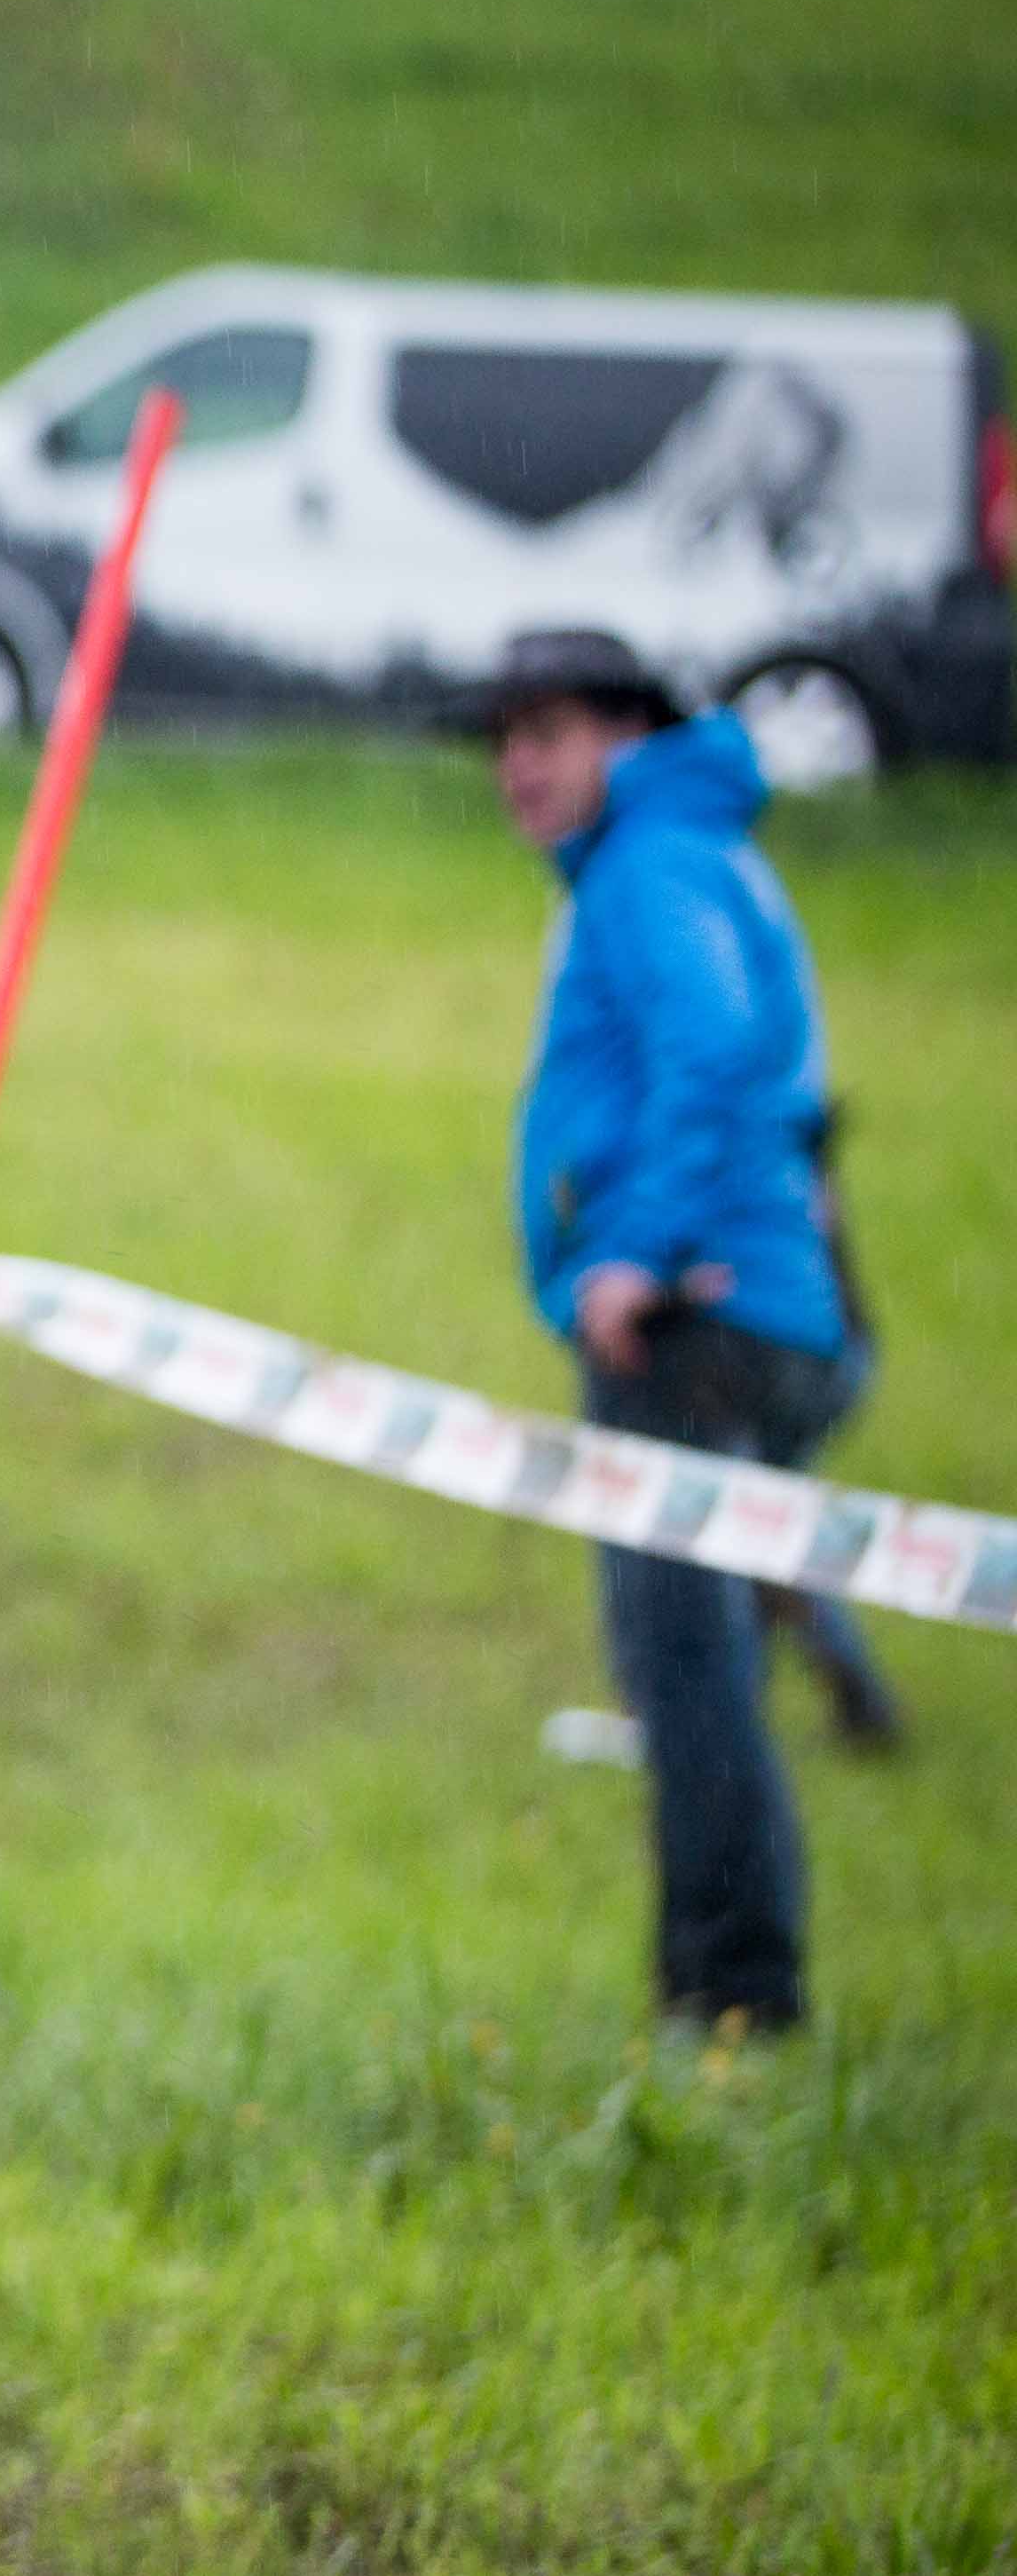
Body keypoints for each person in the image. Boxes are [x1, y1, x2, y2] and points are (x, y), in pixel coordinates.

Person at [458, 623, 894, 2035]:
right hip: (759, 1312)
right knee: (720, 1633)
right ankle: (746, 1955)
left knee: (684, 1674)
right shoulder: (684, 851)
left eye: (546, 734)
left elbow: (712, 1052)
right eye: (503, 741)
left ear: (631, 733)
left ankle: (733, 2001)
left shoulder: (650, 868)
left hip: (691, 1326)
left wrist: (633, 1256)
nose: (517, 767)